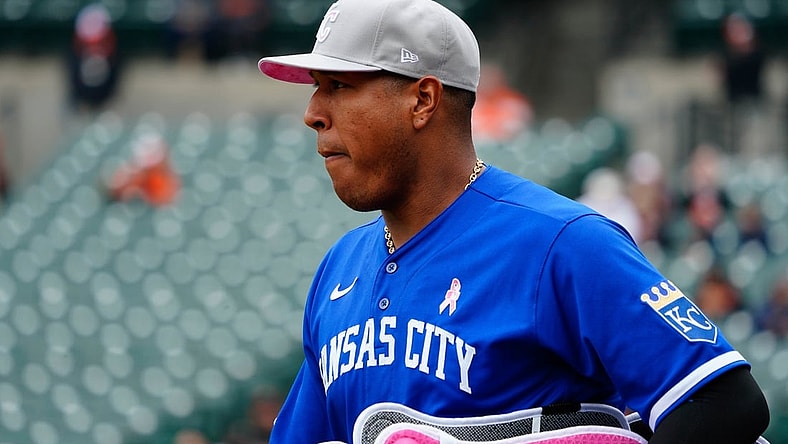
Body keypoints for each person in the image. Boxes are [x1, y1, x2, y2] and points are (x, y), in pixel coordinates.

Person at [256, 0, 770, 442]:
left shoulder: (561, 245)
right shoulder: (339, 268)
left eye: (339, 85)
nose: (313, 111)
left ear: (422, 99)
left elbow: (725, 403)